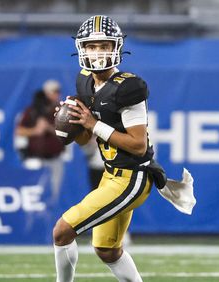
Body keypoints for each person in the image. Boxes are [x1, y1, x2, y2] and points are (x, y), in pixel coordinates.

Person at [52, 15, 155, 282]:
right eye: (92, 46)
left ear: (117, 47)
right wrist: (73, 122)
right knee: (107, 250)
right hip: (111, 176)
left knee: (62, 231)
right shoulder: (85, 81)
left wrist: (93, 123)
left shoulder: (128, 88)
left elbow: (137, 144)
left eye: (104, 46)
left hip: (133, 177)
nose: (98, 53)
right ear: (81, 48)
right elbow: (86, 139)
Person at [16, 80, 65, 203]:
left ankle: (50, 215)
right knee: (34, 194)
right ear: (45, 93)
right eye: (53, 92)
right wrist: (35, 130)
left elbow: (66, 133)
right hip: (36, 158)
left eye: (58, 92)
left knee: (54, 194)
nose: (56, 95)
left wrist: (48, 128)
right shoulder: (32, 110)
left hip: (55, 158)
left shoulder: (61, 111)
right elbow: (19, 130)